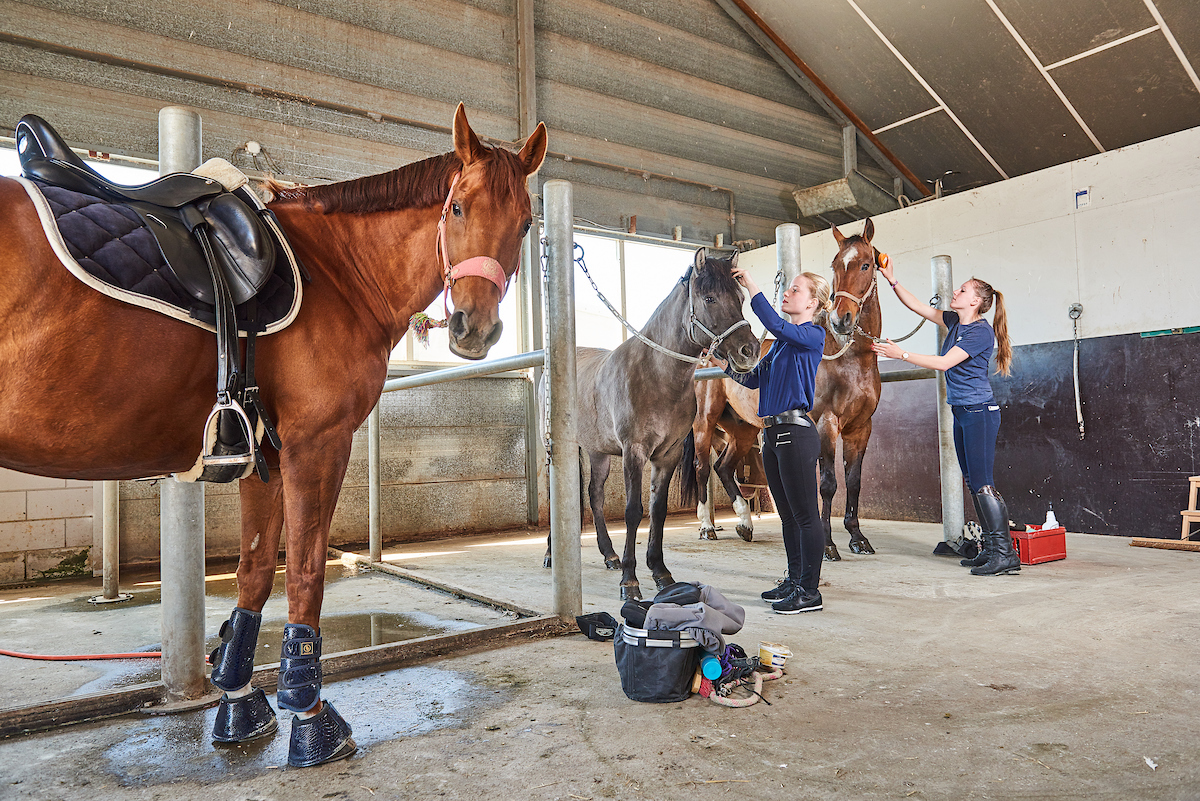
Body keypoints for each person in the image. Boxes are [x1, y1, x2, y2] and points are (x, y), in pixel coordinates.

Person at [870, 255, 1018, 576]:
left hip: (980, 413)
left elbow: (944, 363)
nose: (957, 293)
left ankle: (1004, 553)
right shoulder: (954, 321)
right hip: (963, 412)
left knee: (983, 484)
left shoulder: (980, 333)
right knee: (972, 481)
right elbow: (918, 307)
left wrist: (901, 354)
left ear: (976, 301)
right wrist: (892, 279)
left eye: (963, 291)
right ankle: (990, 549)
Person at [722, 267, 830, 613]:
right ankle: (795, 579)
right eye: (786, 289)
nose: (787, 293)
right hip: (771, 434)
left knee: (806, 515)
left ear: (813, 302)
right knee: (787, 516)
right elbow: (754, 380)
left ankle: (809, 592)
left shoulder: (812, 335)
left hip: (795, 433)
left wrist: (753, 286)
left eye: (795, 290)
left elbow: (776, 324)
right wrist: (721, 361)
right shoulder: (782, 345)